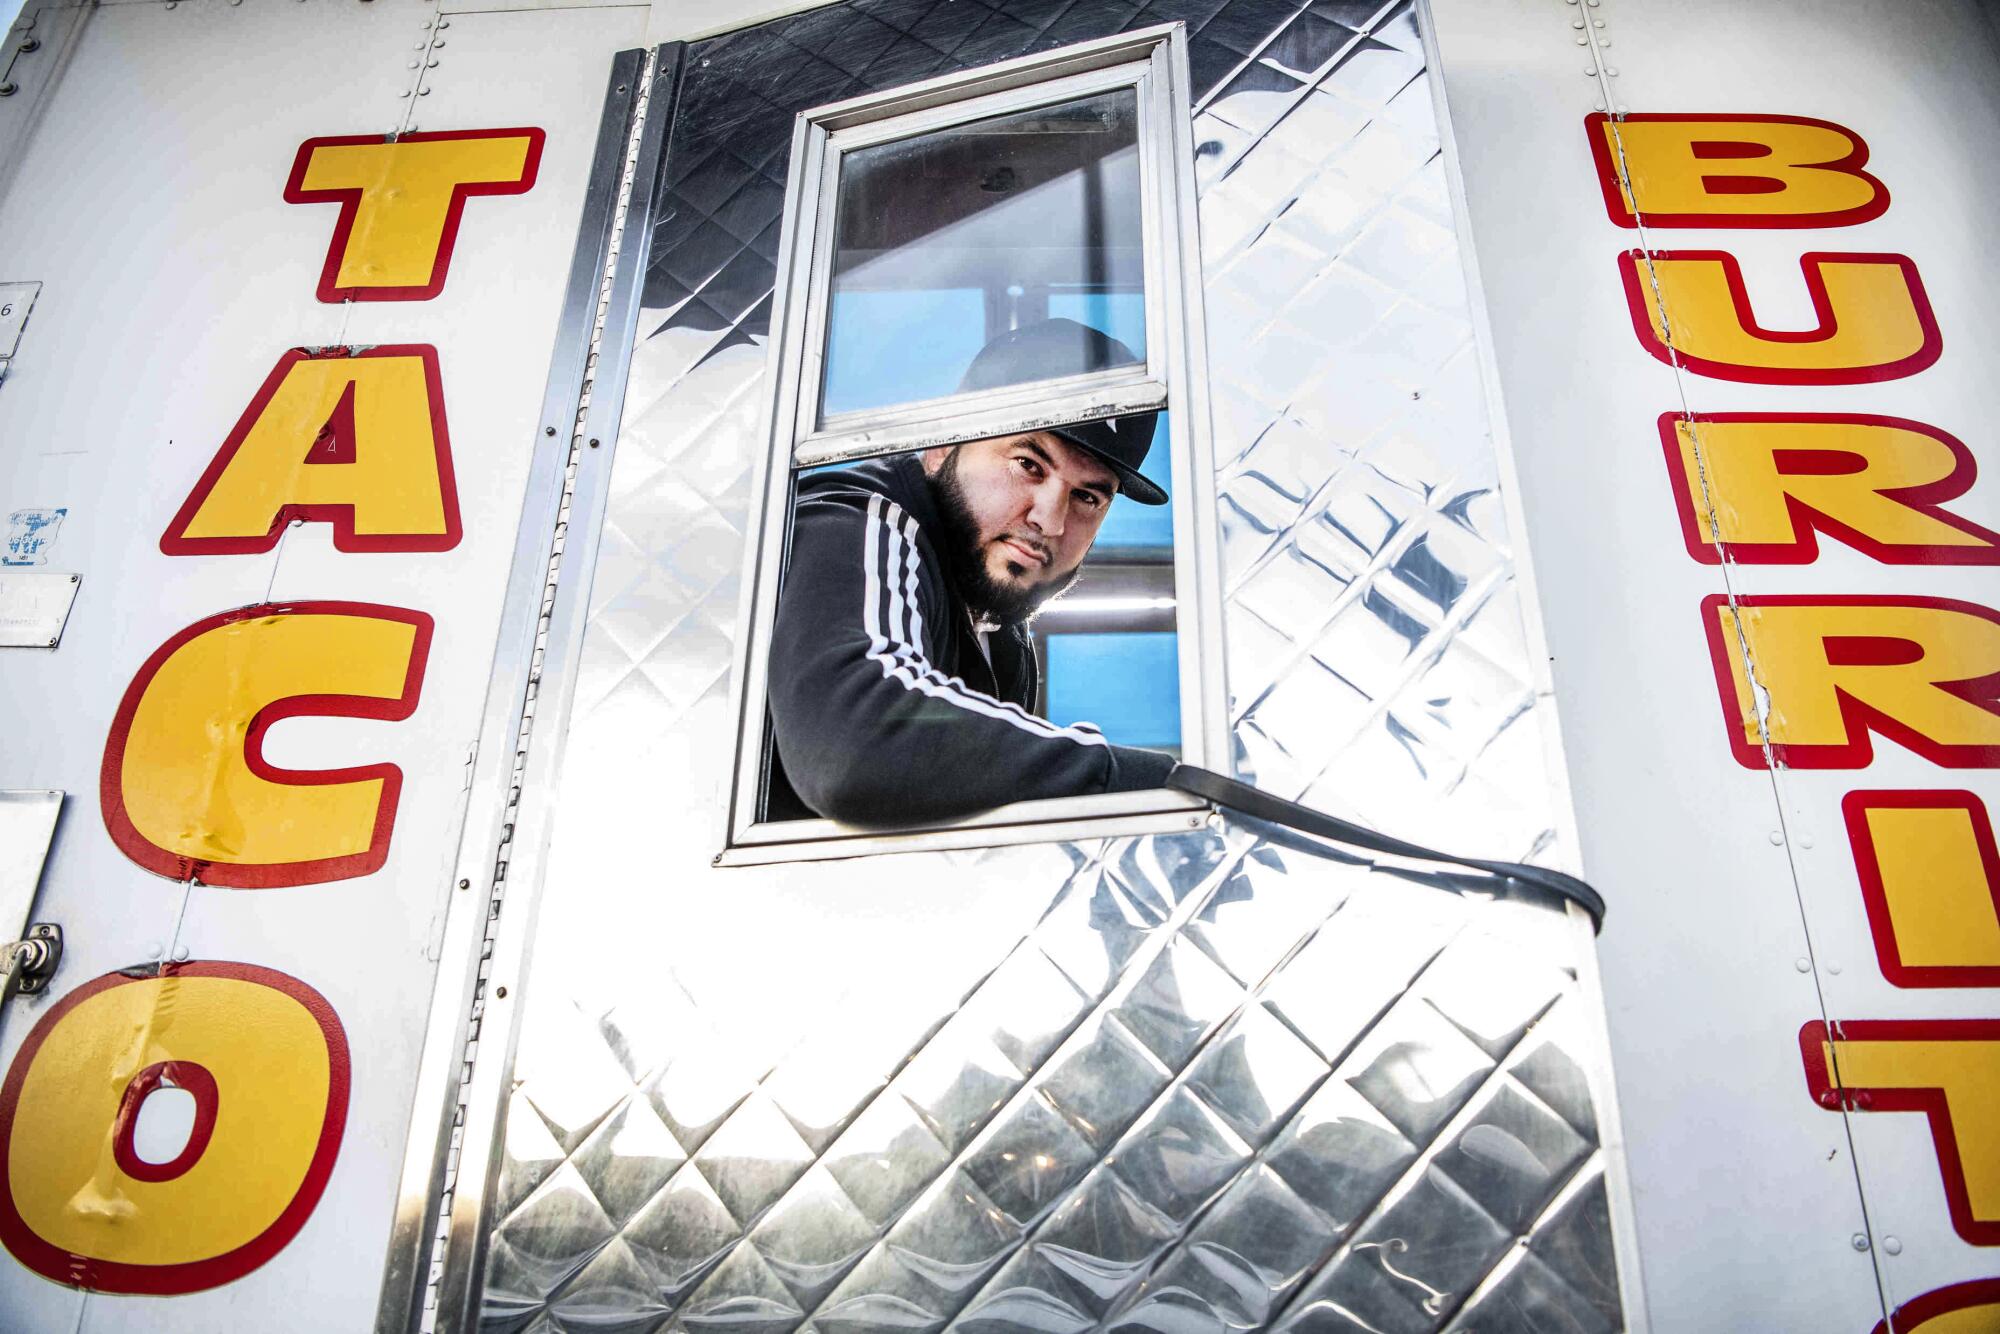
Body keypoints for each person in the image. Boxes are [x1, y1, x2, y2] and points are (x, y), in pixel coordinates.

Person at [766, 318, 1177, 824]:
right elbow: (859, 741)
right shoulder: (860, 517)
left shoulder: (1003, 641)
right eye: (1029, 463)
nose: (1050, 520)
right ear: (943, 444)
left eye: (1088, 496)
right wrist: (1159, 787)